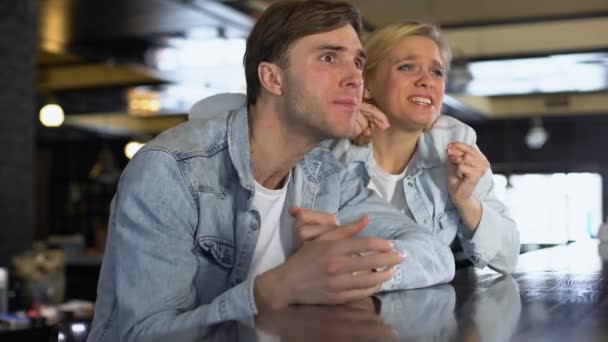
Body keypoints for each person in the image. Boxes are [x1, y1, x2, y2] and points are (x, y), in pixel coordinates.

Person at [87, 3, 454, 341]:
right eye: (329, 57)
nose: (355, 79)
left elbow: (436, 254)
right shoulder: (171, 171)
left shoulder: (324, 173)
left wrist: (356, 266)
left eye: (358, 63)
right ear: (273, 78)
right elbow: (139, 335)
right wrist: (274, 290)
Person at [331, 21, 520, 273]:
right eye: (407, 67)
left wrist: (466, 200)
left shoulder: (455, 143)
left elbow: (507, 258)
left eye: (437, 72)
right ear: (368, 84)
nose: (426, 81)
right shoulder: (329, 145)